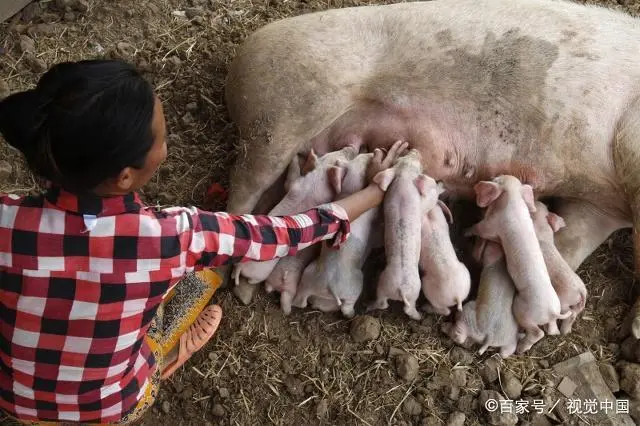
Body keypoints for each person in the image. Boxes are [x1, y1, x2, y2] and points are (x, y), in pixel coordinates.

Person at [0, 59, 407, 425]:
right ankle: (166, 355)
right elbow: (287, 232)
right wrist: (373, 193)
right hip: (110, 408)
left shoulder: (5, 219)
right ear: (124, 176)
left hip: (13, 401)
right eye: (160, 138)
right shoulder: (176, 236)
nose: (167, 145)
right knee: (194, 281)